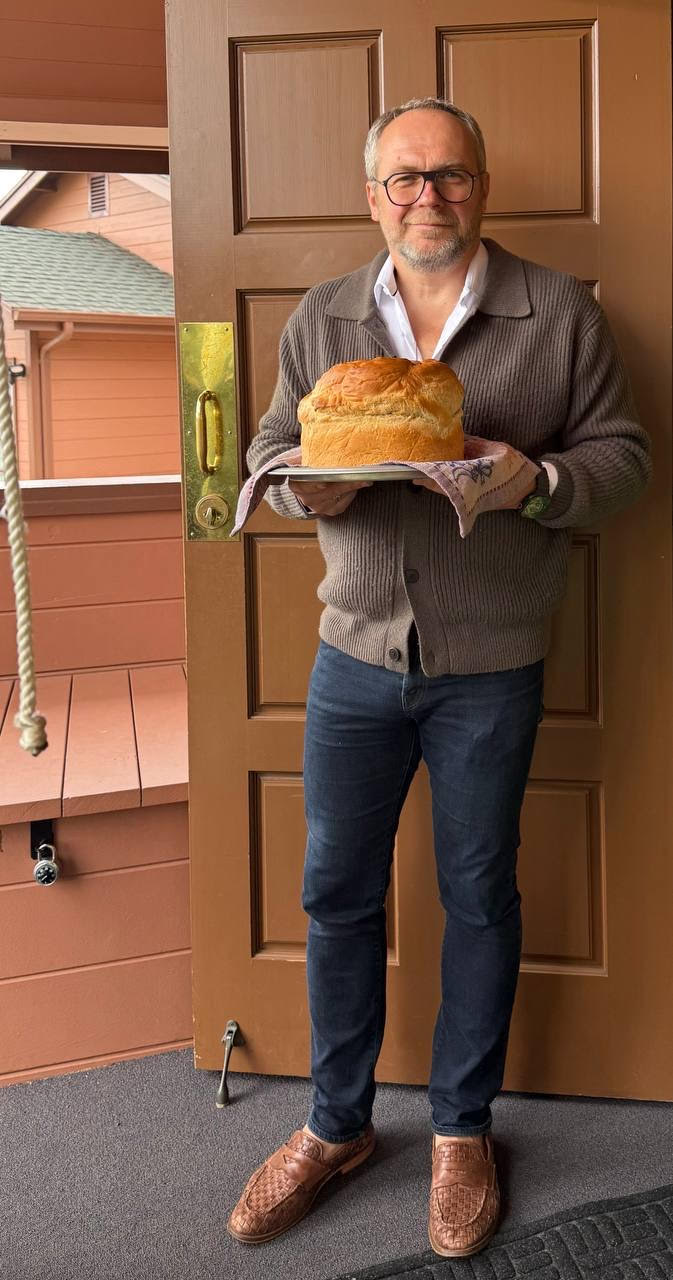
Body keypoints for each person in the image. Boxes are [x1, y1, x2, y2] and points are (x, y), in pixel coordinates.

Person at [227, 97, 651, 1257]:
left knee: (476, 892)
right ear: (373, 196)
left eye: (450, 175)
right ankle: (335, 1124)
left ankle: (462, 1128)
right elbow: (268, 446)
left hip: (491, 662)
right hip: (352, 655)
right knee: (335, 892)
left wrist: (535, 483)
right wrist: (306, 482)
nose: (429, 196)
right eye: (405, 178)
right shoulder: (320, 316)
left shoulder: (557, 311)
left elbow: (623, 459)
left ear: (481, 187)